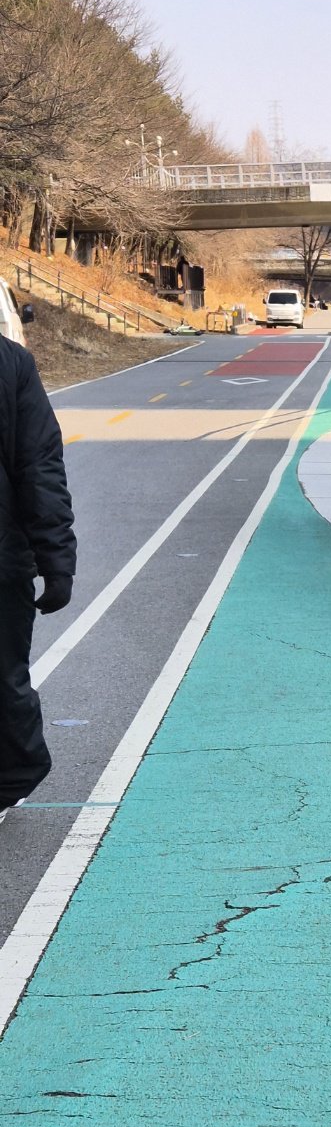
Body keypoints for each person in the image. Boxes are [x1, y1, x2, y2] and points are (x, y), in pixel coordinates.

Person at [0, 332, 76, 816]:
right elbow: (37, 467)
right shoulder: (11, 362)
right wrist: (56, 559)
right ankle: (10, 781)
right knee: (5, 679)